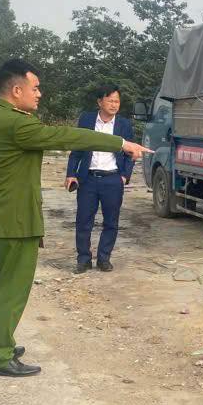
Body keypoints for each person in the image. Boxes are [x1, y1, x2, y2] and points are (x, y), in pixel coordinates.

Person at [0, 58, 150, 377]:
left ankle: (0, 342)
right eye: (35, 88)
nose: (40, 94)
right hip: (17, 220)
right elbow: (68, 137)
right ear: (16, 90)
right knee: (10, 289)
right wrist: (121, 143)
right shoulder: (17, 124)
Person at [64, 85, 135, 273]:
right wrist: (71, 173)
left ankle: (104, 258)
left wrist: (124, 176)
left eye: (117, 101)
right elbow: (77, 148)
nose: (114, 105)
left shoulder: (124, 125)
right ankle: (83, 259)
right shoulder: (87, 120)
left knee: (111, 222)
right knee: (83, 221)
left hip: (113, 179)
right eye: (110, 101)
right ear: (99, 102)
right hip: (88, 179)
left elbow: (131, 152)